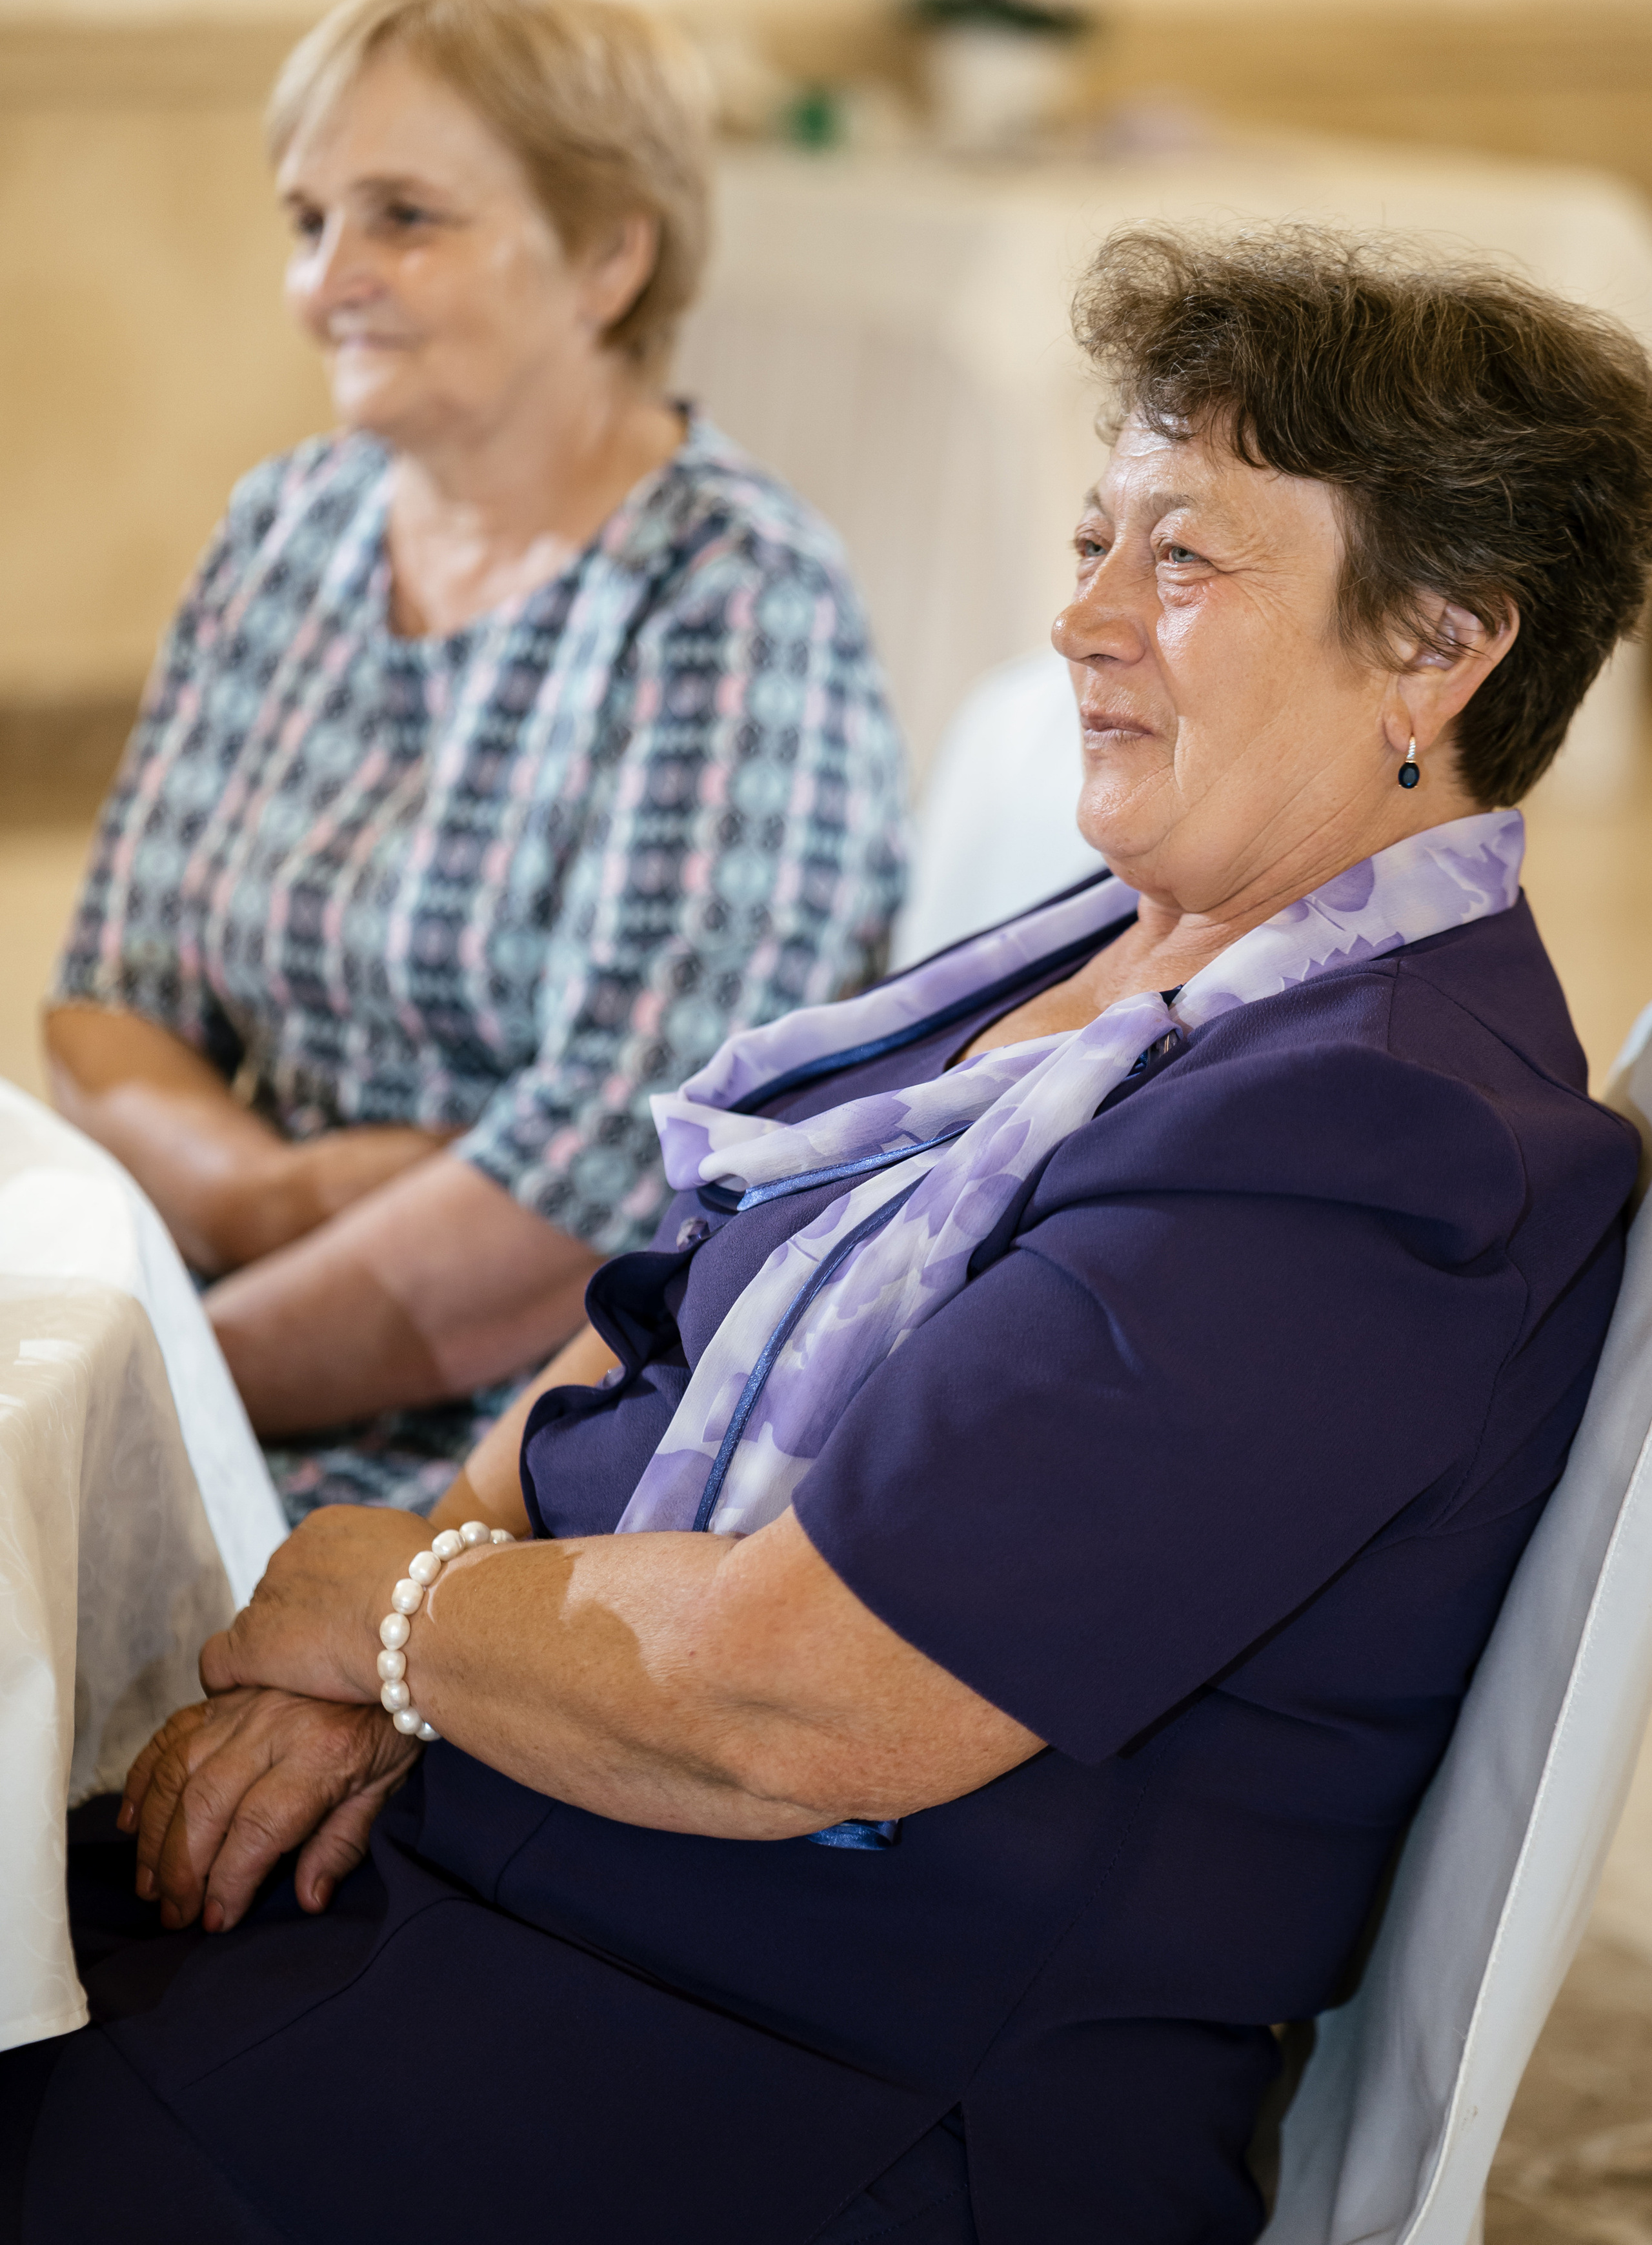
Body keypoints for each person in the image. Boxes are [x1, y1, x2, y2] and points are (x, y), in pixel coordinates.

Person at [6, 227, 1647, 2245]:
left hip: (785, 2084)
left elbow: (806, 1699)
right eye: (1092, 541)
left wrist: (396, 1618)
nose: (1082, 619)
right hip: (556, 1890)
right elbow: (659, 1314)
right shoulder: (1115, 958)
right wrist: (386, 1651)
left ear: (1441, 649)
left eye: (1183, 561)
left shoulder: (1378, 1141)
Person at [41, 0, 907, 1519]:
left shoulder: (730, 595)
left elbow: (605, 1194)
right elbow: (110, 1010)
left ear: (608, 258)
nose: (328, 280)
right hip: (217, 1304)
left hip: (522, 1430)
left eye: (404, 219)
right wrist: (267, 1196)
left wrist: (126, 1396)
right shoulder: (290, 522)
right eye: (309, 221)